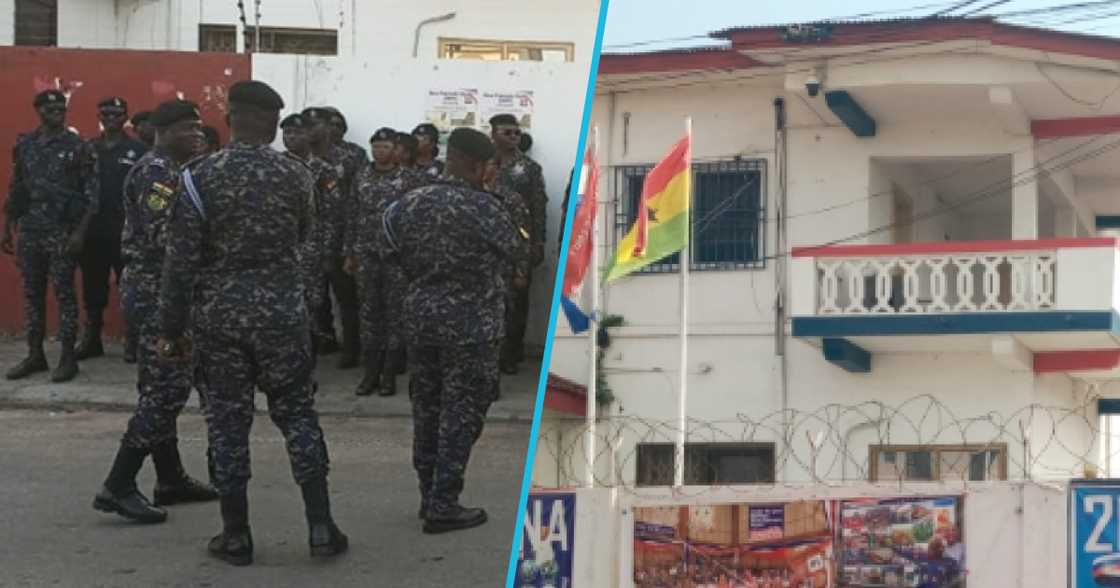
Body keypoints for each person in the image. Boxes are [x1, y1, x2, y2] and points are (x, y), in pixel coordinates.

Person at [158, 80, 347, 565]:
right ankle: (321, 528)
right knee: (298, 416)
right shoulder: (297, 175)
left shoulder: (199, 176)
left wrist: (171, 329)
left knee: (227, 423)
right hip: (283, 316)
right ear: (270, 121)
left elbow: (179, 262)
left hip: (220, 318)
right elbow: (306, 239)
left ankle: (236, 535)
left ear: (230, 116)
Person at [382, 127, 519, 533]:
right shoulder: (487, 207)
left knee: (427, 409)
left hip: (421, 320)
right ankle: (445, 503)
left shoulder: (406, 203)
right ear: (478, 165)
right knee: (462, 413)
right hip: (472, 327)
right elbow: (515, 253)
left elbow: (387, 252)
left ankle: (429, 496)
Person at [92, 99, 218, 525]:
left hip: (163, 290)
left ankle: (169, 478)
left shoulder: (178, 171)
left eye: (200, 128)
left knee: (160, 384)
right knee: (166, 388)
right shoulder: (157, 173)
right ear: (163, 132)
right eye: (188, 128)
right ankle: (119, 483)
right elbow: (166, 236)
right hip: (157, 294)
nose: (198, 135)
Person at [2, 89, 99, 383]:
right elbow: (17, 187)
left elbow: (92, 195)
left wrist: (80, 233)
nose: (57, 111)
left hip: (62, 232)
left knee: (65, 295)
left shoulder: (79, 147)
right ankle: (35, 354)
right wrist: (7, 224)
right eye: (50, 107)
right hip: (30, 230)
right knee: (33, 295)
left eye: (61, 107)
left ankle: (68, 358)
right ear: (38, 110)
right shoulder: (26, 145)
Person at [76, 97, 148, 361]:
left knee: (130, 288)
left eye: (116, 114)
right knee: (93, 288)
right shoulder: (88, 148)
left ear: (125, 117)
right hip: (93, 231)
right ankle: (92, 339)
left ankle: (134, 342)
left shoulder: (138, 150)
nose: (110, 118)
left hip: (126, 232)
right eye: (105, 113)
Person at [345, 127, 401, 397]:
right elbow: (352, 214)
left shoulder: (407, 179)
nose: (379, 151)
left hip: (395, 258)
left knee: (393, 317)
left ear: (395, 149)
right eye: (375, 146)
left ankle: (388, 376)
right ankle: (370, 375)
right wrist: (349, 252)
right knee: (369, 317)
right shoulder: (362, 176)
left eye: (385, 146)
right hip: (366, 255)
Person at [304, 107, 362, 368]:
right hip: (308, 244)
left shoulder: (349, 158)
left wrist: (345, 247)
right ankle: (320, 342)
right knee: (312, 299)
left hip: (340, 242)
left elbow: (352, 204)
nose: (311, 131)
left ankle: (351, 349)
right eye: (308, 126)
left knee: (347, 299)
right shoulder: (299, 161)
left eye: (317, 125)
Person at [491, 113, 547, 374]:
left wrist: (538, 243)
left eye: (517, 133)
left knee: (516, 302)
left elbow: (538, 206)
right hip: (487, 243)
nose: (514, 137)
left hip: (518, 244)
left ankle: (511, 354)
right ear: (493, 134)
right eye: (507, 132)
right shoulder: (482, 164)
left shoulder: (529, 168)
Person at [281, 113, 333, 358]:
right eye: (287, 133)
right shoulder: (276, 165)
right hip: (281, 248)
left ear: (309, 136)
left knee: (312, 303)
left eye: (297, 133)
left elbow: (331, 214)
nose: (291, 138)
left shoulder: (322, 170)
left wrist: (328, 252)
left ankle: (308, 354)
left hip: (312, 249)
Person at [484, 156, 532, 401]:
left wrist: (521, 270)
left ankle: (493, 380)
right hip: (471, 277)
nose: (486, 168)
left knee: (500, 328)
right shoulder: (462, 196)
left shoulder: (510, 198)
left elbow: (523, 236)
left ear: (497, 167)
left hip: (501, 274)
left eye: (490, 163)